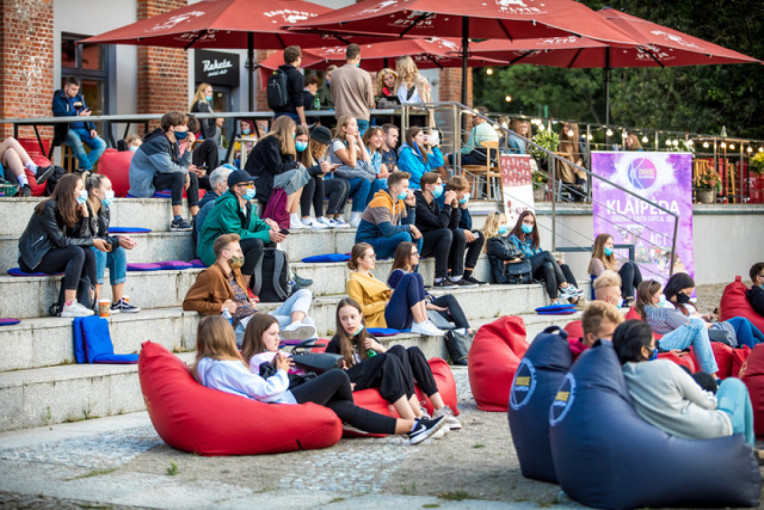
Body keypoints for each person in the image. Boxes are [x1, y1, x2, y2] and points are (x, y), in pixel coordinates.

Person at [193, 315, 446, 444]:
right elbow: (266, 390)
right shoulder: (226, 366)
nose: (278, 338)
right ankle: (413, 421)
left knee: (341, 406)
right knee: (338, 377)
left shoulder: (208, 365)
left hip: (286, 396)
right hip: (282, 400)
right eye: (273, 334)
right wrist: (281, 370)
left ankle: (413, 427)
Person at [613, 319, 754, 446]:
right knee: (734, 385)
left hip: (666, 437)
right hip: (708, 429)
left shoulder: (620, 378)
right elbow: (708, 403)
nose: (656, 350)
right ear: (644, 351)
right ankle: (747, 450)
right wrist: (718, 391)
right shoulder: (664, 367)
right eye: (654, 346)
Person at [326, 298, 461, 429]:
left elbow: (388, 359)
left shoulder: (365, 336)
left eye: (352, 317)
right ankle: (417, 412)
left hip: (375, 373)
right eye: (344, 319)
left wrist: (378, 348)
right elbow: (329, 373)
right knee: (396, 351)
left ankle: (440, 408)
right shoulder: (336, 343)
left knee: (411, 351)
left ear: (360, 316)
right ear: (339, 321)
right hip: (358, 378)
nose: (349, 322)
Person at [184, 234, 316, 344]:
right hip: (242, 327)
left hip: (255, 318)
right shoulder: (211, 274)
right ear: (225, 253)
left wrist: (248, 302)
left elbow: (239, 297)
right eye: (237, 251)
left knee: (304, 293)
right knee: (307, 322)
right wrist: (221, 307)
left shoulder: (235, 271)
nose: (241, 255)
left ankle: (295, 324)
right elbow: (189, 303)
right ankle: (308, 360)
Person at [18, 173, 108, 317]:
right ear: (69, 190)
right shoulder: (49, 208)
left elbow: (79, 238)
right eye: (80, 188)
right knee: (77, 252)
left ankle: (92, 299)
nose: (83, 192)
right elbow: (62, 241)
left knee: (87, 252)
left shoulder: (71, 208)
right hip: (34, 258)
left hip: (52, 253)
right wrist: (92, 241)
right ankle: (69, 305)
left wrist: (84, 216)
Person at [198, 170, 285, 289]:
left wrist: (272, 230)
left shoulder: (246, 204)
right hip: (214, 250)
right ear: (237, 189)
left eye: (252, 184)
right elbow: (235, 234)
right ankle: (242, 287)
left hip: (230, 246)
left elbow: (257, 224)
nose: (253, 187)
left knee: (270, 241)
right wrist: (265, 234)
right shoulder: (227, 204)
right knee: (256, 243)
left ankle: (264, 285)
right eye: (248, 185)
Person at [347, 242, 444, 336]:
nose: (374, 260)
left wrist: (394, 293)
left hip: (396, 317)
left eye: (374, 256)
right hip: (382, 320)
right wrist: (383, 304)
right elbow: (358, 311)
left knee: (416, 276)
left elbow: (386, 294)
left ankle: (423, 320)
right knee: (408, 278)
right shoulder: (353, 281)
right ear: (359, 260)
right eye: (370, 257)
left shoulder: (371, 277)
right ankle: (420, 323)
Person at [128, 111, 199, 231]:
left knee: (192, 176)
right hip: (145, 183)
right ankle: (177, 220)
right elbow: (167, 167)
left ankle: (196, 217)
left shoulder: (172, 143)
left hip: (156, 177)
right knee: (178, 176)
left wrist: (188, 147)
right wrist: (184, 172)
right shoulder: (157, 142)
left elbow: (181, 165)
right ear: (172, 128)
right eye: (183, 125)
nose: (187, 128)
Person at [635, 279, 718, 375]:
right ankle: (712, 376)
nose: (663, 296)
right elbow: (687, 324)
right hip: (661, 346)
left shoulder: (644, 310)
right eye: (660, 293)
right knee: (698, 324)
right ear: (650, 296)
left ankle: (712, 375)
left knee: (698, 323)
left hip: (657, 345)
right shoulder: (661, 312)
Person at [83, 174, 140, 313]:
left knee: (118, 251)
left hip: (96, 249)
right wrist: (116, 240)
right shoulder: (83, 208)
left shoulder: (104, 209)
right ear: (95, 191)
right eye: (108, 188)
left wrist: (119, 240)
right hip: (82, 251)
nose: (111, 192)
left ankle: (118, 301)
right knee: (100, 250)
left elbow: (104, 236)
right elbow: (86, 238)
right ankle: (93, 300)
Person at [661, 273, 764, 349]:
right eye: (687, 293)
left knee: (753, 338)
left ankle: (757, 352)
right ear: (678, 289)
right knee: (741, 321)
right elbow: (686, 323)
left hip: (707, 326)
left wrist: (703, 316)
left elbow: (693, 315)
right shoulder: (669, 307)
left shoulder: (683, 304)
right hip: (705, 330)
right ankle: (751, 356)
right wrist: (705, 323)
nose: (688, 297)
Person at [388, 242, 472, 334]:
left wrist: (444, 307)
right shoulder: (398, 274)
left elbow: (424, 296)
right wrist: (438, 308)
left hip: (426, 309)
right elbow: (412, 299)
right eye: (414, 254)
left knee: (452, 308)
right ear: (405, 256)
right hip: (416, 311)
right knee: (449, 300)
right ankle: (465, 330)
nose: (418, 256)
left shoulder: (413, 274)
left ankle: (461, 330)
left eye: (417, 253)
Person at [244, 116, 310, 229]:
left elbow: (285, 166)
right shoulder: (270, 141)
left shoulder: (279, 142)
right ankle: (285, 215)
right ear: (286, 130)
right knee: (296, 173)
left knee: (302, 172)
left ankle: (293, 215)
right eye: (293, 131)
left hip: (269, 178)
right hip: (259, 181)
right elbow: (277, 168)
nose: (294, 134)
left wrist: (291, 154)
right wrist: (295, 163)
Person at [415, 172, 475, 288]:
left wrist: (455, 207)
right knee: (445, 233)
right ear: (428, 186)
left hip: (432, 240)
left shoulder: (433, 204)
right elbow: (441, 224)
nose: (440, 187)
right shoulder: (418, 202)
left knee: (456, 233)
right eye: (438, 184)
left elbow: (452, 227)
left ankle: (457, 276)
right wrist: (447, 203)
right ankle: (440, 278)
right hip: (419, 242)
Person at [508, 210, 583, 304]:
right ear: (520, 222)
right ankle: (565, 287)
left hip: (536, 269)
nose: (529, 224)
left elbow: (539, 254)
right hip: (524, 269)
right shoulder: (513, 238)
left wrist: (554, 260)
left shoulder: (530, 239)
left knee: (559, 266)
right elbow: (519, 256)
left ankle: (574, 300)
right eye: (526, 221)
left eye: (531, 223)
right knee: (547, 254)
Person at [328, 115, 381, 227]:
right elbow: (351, 163)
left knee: (376, 183)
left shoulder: (352, 142)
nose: (356, 127)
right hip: (342, 181)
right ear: (344, 128)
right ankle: (354, 217)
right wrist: (352, 143)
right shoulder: (337, 143)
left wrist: (359, 141)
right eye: (353, 125)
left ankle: (363, 216)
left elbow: (367, 161)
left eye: (357, 125)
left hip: (354, 179)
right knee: (365, 181)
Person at [355, 171, 422, 259]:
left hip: (383, 241)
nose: (408, 190)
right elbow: (388, 230)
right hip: (366, 245)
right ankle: (404, 269)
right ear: (394, 188)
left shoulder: (399, 202)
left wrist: (412, 207)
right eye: (405, 187)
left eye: (408, 187)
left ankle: (411, 271)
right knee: (404, 236)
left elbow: (408, 227)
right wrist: (411, 227)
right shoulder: (381, 201)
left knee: (417, 237)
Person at [296, 125, 348, 229]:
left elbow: (318, 174)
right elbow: (306, 173)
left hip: (315, 184)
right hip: (303, 185)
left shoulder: (320, 154)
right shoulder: (306, 151)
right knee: (317, 180)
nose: (326, 147)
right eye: (324, 144)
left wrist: (328, 169)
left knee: (344, 182)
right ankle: (313, 217)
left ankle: (330, 217)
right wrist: (321, 169)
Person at [51, 76, 107, 172]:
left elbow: (86, 114)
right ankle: (88, 169)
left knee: (102, 144)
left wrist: (92, 128)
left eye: (77, 89)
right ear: (66, 87)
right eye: (73, 89)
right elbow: (59, 114)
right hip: (67, 130)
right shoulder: (58, 98)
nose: (75, 92)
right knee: (76, 140)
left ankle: (82, 169)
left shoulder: (79, 98)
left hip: (83, 130)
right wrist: (77, 115)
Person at [438, 175, 485, 285]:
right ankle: (452, 274)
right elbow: (444, 224)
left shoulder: (459, 201)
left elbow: (467, 226)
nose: (467, 194)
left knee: (478, 236)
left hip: (457, 233)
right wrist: (461, 230)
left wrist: (464, 208)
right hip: (446, 235)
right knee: (458, 234)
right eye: (464, 192)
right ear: (455, 191)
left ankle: (467, 274)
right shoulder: (443, 201)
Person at [331, 44, 375, 135]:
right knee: (360, 147)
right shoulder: (364, 74)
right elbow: (370, 101)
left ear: (346, 56)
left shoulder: (335, 74)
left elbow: (333, 96)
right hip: (361, 115)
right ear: (358, 57)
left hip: (343, 117)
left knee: (345, 147)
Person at [588, 233, 643, 307]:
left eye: (612, 244)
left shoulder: (611, 261)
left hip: (614, 287)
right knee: (628, 266)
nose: (611, 246)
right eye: (608, 244)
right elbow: (604, 278)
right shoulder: (596, 261)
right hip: (606, 289)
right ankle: (629, 298)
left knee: (632, 265)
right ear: (600, 245)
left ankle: (644, 295)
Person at [272, 46, 308, 128]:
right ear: (298, 58)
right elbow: (298, 99)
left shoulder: (277, 73)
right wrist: (303, 121)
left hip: (278, 116)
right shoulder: (297, 75)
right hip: (292, 116)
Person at [394, 56, 433, 127]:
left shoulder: (421, 81)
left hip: (417, 116)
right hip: (400, 115)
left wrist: (417, 107)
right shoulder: (398, 82)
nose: (397, 69)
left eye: (399, 67)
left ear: (405, 67)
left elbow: (427, 101)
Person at [186, 116, 217, 191]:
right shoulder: (172, 142)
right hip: (183, 171)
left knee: (210, 143)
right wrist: (186, 169)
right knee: (208, 181)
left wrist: (198, 170)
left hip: (190, 167)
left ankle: (214, 176)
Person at [557, 121, 586, 193]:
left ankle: (579, 191)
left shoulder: (580, 140)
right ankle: (578, 193)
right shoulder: (560, 140)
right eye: (564, 126)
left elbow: (585, 155)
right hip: (565, 166)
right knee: (564, 165)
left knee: (581, 172)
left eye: (567, 127)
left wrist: (578, 163)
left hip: (577, 165)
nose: (565, 129)